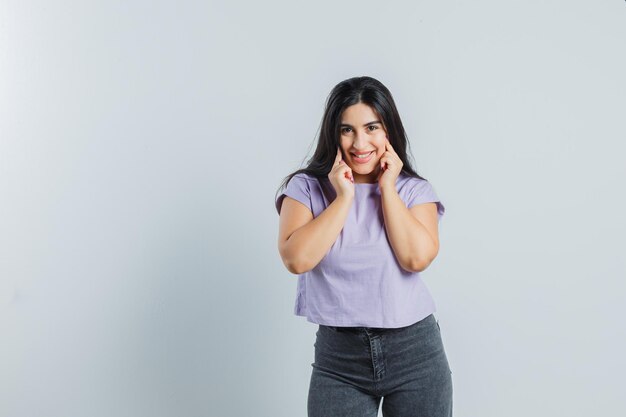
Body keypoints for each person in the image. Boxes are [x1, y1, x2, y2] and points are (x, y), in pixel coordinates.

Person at [274, 76, 453, 417]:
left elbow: (416, 257)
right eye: (347, 130)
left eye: (372, 127)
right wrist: (344, 197)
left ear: (389, 130)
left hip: (415, 353)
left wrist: (388, 187)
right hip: (339, 360)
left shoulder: (414, 191)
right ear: (333, 134)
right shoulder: (306, 188)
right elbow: (297, 260)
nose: (360, 142)